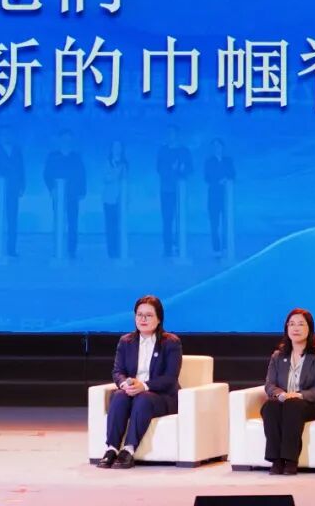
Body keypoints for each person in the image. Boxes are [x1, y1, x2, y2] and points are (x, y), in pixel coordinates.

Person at [97, 295, 183, 470]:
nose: (143, 319)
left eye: (149, 315)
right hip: (131, 393)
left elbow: (170, 378)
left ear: (159, 319)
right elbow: (117, 372)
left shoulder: (171, 343)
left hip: (161, 397)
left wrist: (143, 386)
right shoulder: (126, 342)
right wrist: (125, 385)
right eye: (139, 315)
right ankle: (112, 448)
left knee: (143, 398)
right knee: (119, 396)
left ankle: (128, 450)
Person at [260, 307, 315, 475]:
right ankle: (276, 461)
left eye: (300, 324)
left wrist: (298, 395)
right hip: (284, 401)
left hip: (308, 405)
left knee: (293, 405)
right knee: (270, 407)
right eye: (291, 324)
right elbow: (269, 384)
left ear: (310, 329)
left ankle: (291, 460)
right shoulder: (277, 356)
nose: (295, 328)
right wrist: (280, 394)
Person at [43, 130, 87, 258]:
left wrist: (82, 191)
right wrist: (52, 189)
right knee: (58, 221)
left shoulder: (76, 157)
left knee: (73, 223)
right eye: (64, 139)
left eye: (69, 139)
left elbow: (82, 175)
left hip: (73, 195)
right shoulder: (53, 156)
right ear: (60, 140)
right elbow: (46, 174)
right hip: (58, 195)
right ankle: (58, 248)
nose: (66, 142)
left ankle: (72, 250)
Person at [156, 126, 192, 257]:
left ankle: (180, 245)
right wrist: (172, 169)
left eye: (173, 133)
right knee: (167, 219)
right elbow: (159, 169)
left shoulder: (184, 151)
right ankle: (167, 248)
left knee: (180, 218)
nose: (171, 136)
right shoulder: (163, 150)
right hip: (166, 190)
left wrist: (181, 170)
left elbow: (190, 168)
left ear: (177, 135)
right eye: (169, 133)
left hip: (180, 191)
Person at [0, 125, 25, 257]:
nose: (6, 137)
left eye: (8, 134)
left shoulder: (17, 150)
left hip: (13, 189)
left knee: (12, 220)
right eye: (4, 134)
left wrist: (22, 186)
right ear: (0, 136)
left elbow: (22, 169)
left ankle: (11, 249)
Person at [204, 138, 236, 257]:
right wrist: (218, 181)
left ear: (222, 147)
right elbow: (207, 178)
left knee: (226, 222)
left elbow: (233, 174)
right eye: (214, 146)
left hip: (226, 196)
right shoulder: (209, 162)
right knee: (214, 223)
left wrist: (226, 179)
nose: (217, 148)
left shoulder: (228, 161)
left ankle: (226, 247)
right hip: (213, 196)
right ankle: (216, 248)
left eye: (218, 146)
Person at [102, 140, 129, 259]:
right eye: (115, 147)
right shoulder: (107, 163)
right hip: (108, 198)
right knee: (110, 225)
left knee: (119, 225)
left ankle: (119, 249)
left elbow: (125, 180)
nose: (117, 149)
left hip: (121, 199)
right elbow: (106, 178)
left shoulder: (125, 164)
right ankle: (111, 250)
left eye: (119, 147)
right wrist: (116, 172)